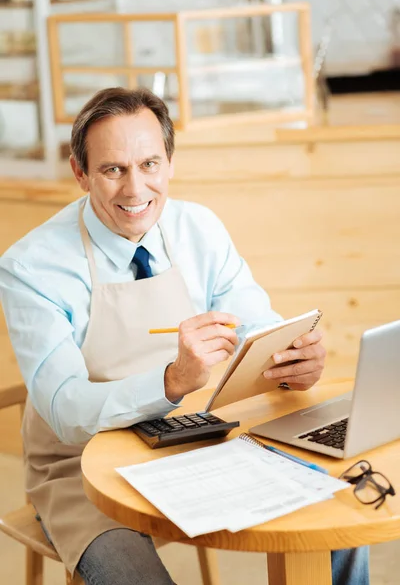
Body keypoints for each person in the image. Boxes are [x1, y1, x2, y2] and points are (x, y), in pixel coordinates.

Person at [0, 88, 369, 585]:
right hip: (81, 466)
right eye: (113, 170)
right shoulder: (30, 268)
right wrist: (171, 381)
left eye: (149, 163)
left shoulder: (200, 228)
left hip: (202, 431)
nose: (135, 190)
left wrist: (290, 357)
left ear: (170, 162)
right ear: (80, 173)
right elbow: (65, 411)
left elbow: (255, 322)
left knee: (338, 517)